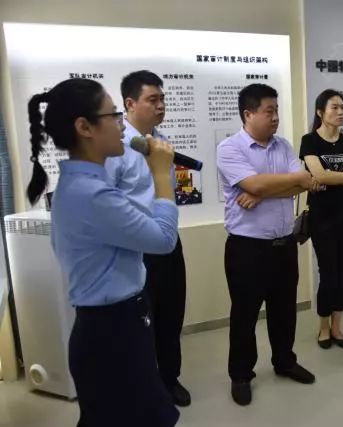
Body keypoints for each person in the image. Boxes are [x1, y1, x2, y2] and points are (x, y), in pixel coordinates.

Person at [27, 78, 180, 427]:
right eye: (113, 115)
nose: (120, 124)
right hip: (112, 332)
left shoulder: (81, 186)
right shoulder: (92, 194)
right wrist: (161, 175)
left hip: (116, 325)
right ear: (85, 127)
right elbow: (164, 239)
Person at [217, 83, 316, 406]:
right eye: (268, 111)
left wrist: (259, 191)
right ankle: (241, 374)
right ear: (248, 113)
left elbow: (304, 181)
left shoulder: (283, 146)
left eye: (277, 110)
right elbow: (285, 181)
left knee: (284, 310)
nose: (275, 117)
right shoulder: (230, 148)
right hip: (248, 248)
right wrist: (266, 185)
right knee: (245, 314)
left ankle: (284, 361)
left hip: (284, 245)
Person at [104, 70, 190, 407]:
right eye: (152, 100)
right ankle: (144, 385)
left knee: (171, 315)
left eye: (162, 99)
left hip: (167, 240)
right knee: (140, 322)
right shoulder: (114, 149)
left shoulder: (161, 142)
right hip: (135, 248)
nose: (160, 105)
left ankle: (170, 379)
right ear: (129, 103)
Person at [300, 89, 343, 349]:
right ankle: (323, 327)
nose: (341, 112)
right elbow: (320, 176)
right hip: (321, 216)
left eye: (342, 108)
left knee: (342, 270)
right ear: (320, 112)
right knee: (327, 272)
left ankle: (337, 327)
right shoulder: (309, 141)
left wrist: (331, 176)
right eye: (334, 108)